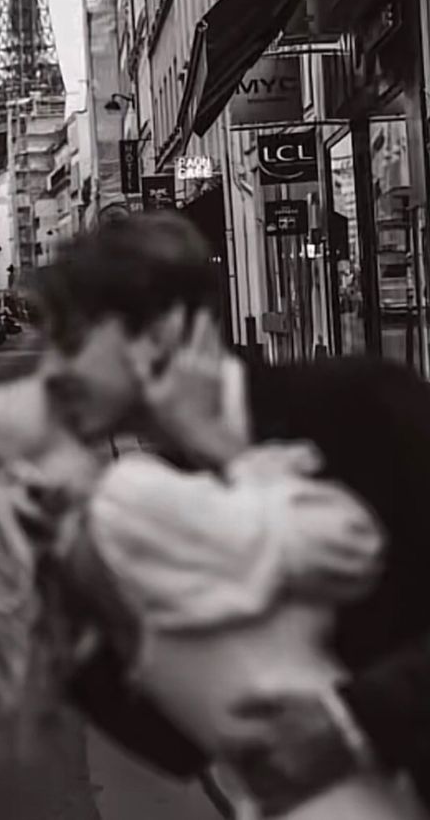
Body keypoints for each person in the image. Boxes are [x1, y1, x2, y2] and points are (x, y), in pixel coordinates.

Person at [27, 211, 430, 813]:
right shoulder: (155, 499)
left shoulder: (359, 404)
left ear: (158, 336)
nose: (51, 373)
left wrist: (355, 720)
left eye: (72, 343)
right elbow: (177, 746)